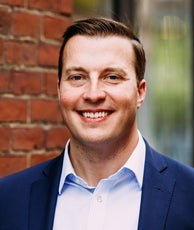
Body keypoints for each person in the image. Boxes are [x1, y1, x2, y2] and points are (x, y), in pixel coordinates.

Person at [0, 17, 194, 230]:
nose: (93, 94)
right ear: (59, 90)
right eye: (77, 77)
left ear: (140, 92)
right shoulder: (8, 199)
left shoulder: (189, 194)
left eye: (111, 77)